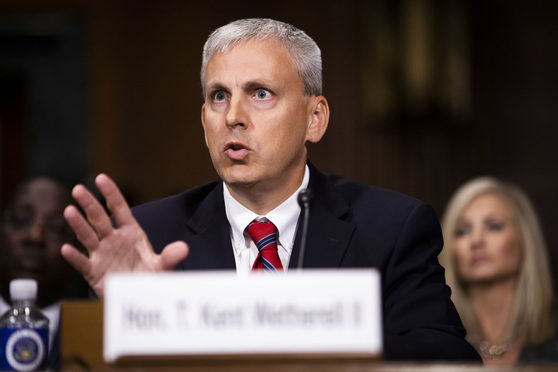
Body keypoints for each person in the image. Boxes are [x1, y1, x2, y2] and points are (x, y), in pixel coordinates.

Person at [61, 18, 480, 362]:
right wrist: (134, 314)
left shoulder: (391, 227)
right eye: (219, 96)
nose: (234, 117)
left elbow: (448, 357)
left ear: (315, 118)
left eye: (260, 94)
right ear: (203, 119)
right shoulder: (151, 234)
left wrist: (318, 335)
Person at [439, 176, 558, 365]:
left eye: (494, 226)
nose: (476, 241)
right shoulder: (435, 337)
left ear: (524, 239)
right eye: (462, 230)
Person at [0, 176, 88, 368]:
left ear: (79, 246)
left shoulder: (93, 335)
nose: (35, 236)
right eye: (21, 219)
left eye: (55, 227)